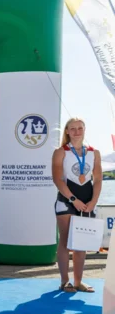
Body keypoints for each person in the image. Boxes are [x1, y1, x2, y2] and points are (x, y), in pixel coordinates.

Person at [51, 117, 100, 293]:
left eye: (80, 128)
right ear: (67, 131)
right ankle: (65, 281)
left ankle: (78, 282)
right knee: (64, 241)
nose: (77, 132)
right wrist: (73, 200)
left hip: (87, 203)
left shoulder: (94, 152)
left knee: (81, 242)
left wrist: (93, 202)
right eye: (73, 128)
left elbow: (98, 179)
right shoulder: (60, 152)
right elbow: (57, 179)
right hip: (67, 201)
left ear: (84, 130)